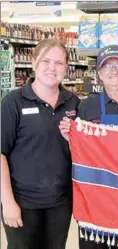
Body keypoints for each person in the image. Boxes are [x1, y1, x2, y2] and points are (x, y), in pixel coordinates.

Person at [59, 45, 118, 249]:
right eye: (106, 67)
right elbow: (79, 151)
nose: (113, 71)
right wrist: (70, 136)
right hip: (95, 197)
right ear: (98, 74)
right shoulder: (86, 106)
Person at [1, 39, 80, 249]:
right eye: (46, 61)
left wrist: (73, 141)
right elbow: (0, 153)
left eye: (59, 63)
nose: (52, 68)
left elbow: (82, 154)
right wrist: (7, 202)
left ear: (66, 67)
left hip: (60, 204)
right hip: (23, 202)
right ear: (34, 62)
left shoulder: (73, 103)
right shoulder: (13, 102)